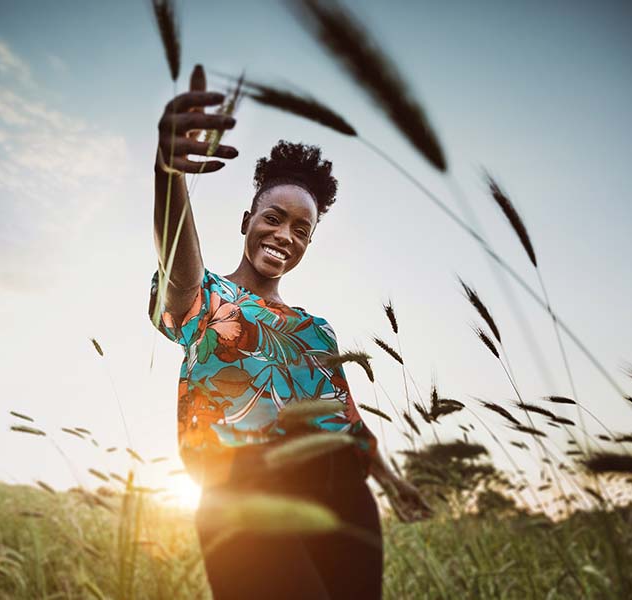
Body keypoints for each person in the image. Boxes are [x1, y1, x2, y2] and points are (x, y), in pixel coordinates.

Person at [149, 64, 433, 600]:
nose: (285, 235)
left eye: (302, 230)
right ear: (246, 221)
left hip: (341, 499)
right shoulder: (204, 297)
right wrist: (169, 174)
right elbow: (177, 259)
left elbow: (345, 418)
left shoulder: (316, 330)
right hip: (240, 493)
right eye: (273, 218)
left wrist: (392, 482)